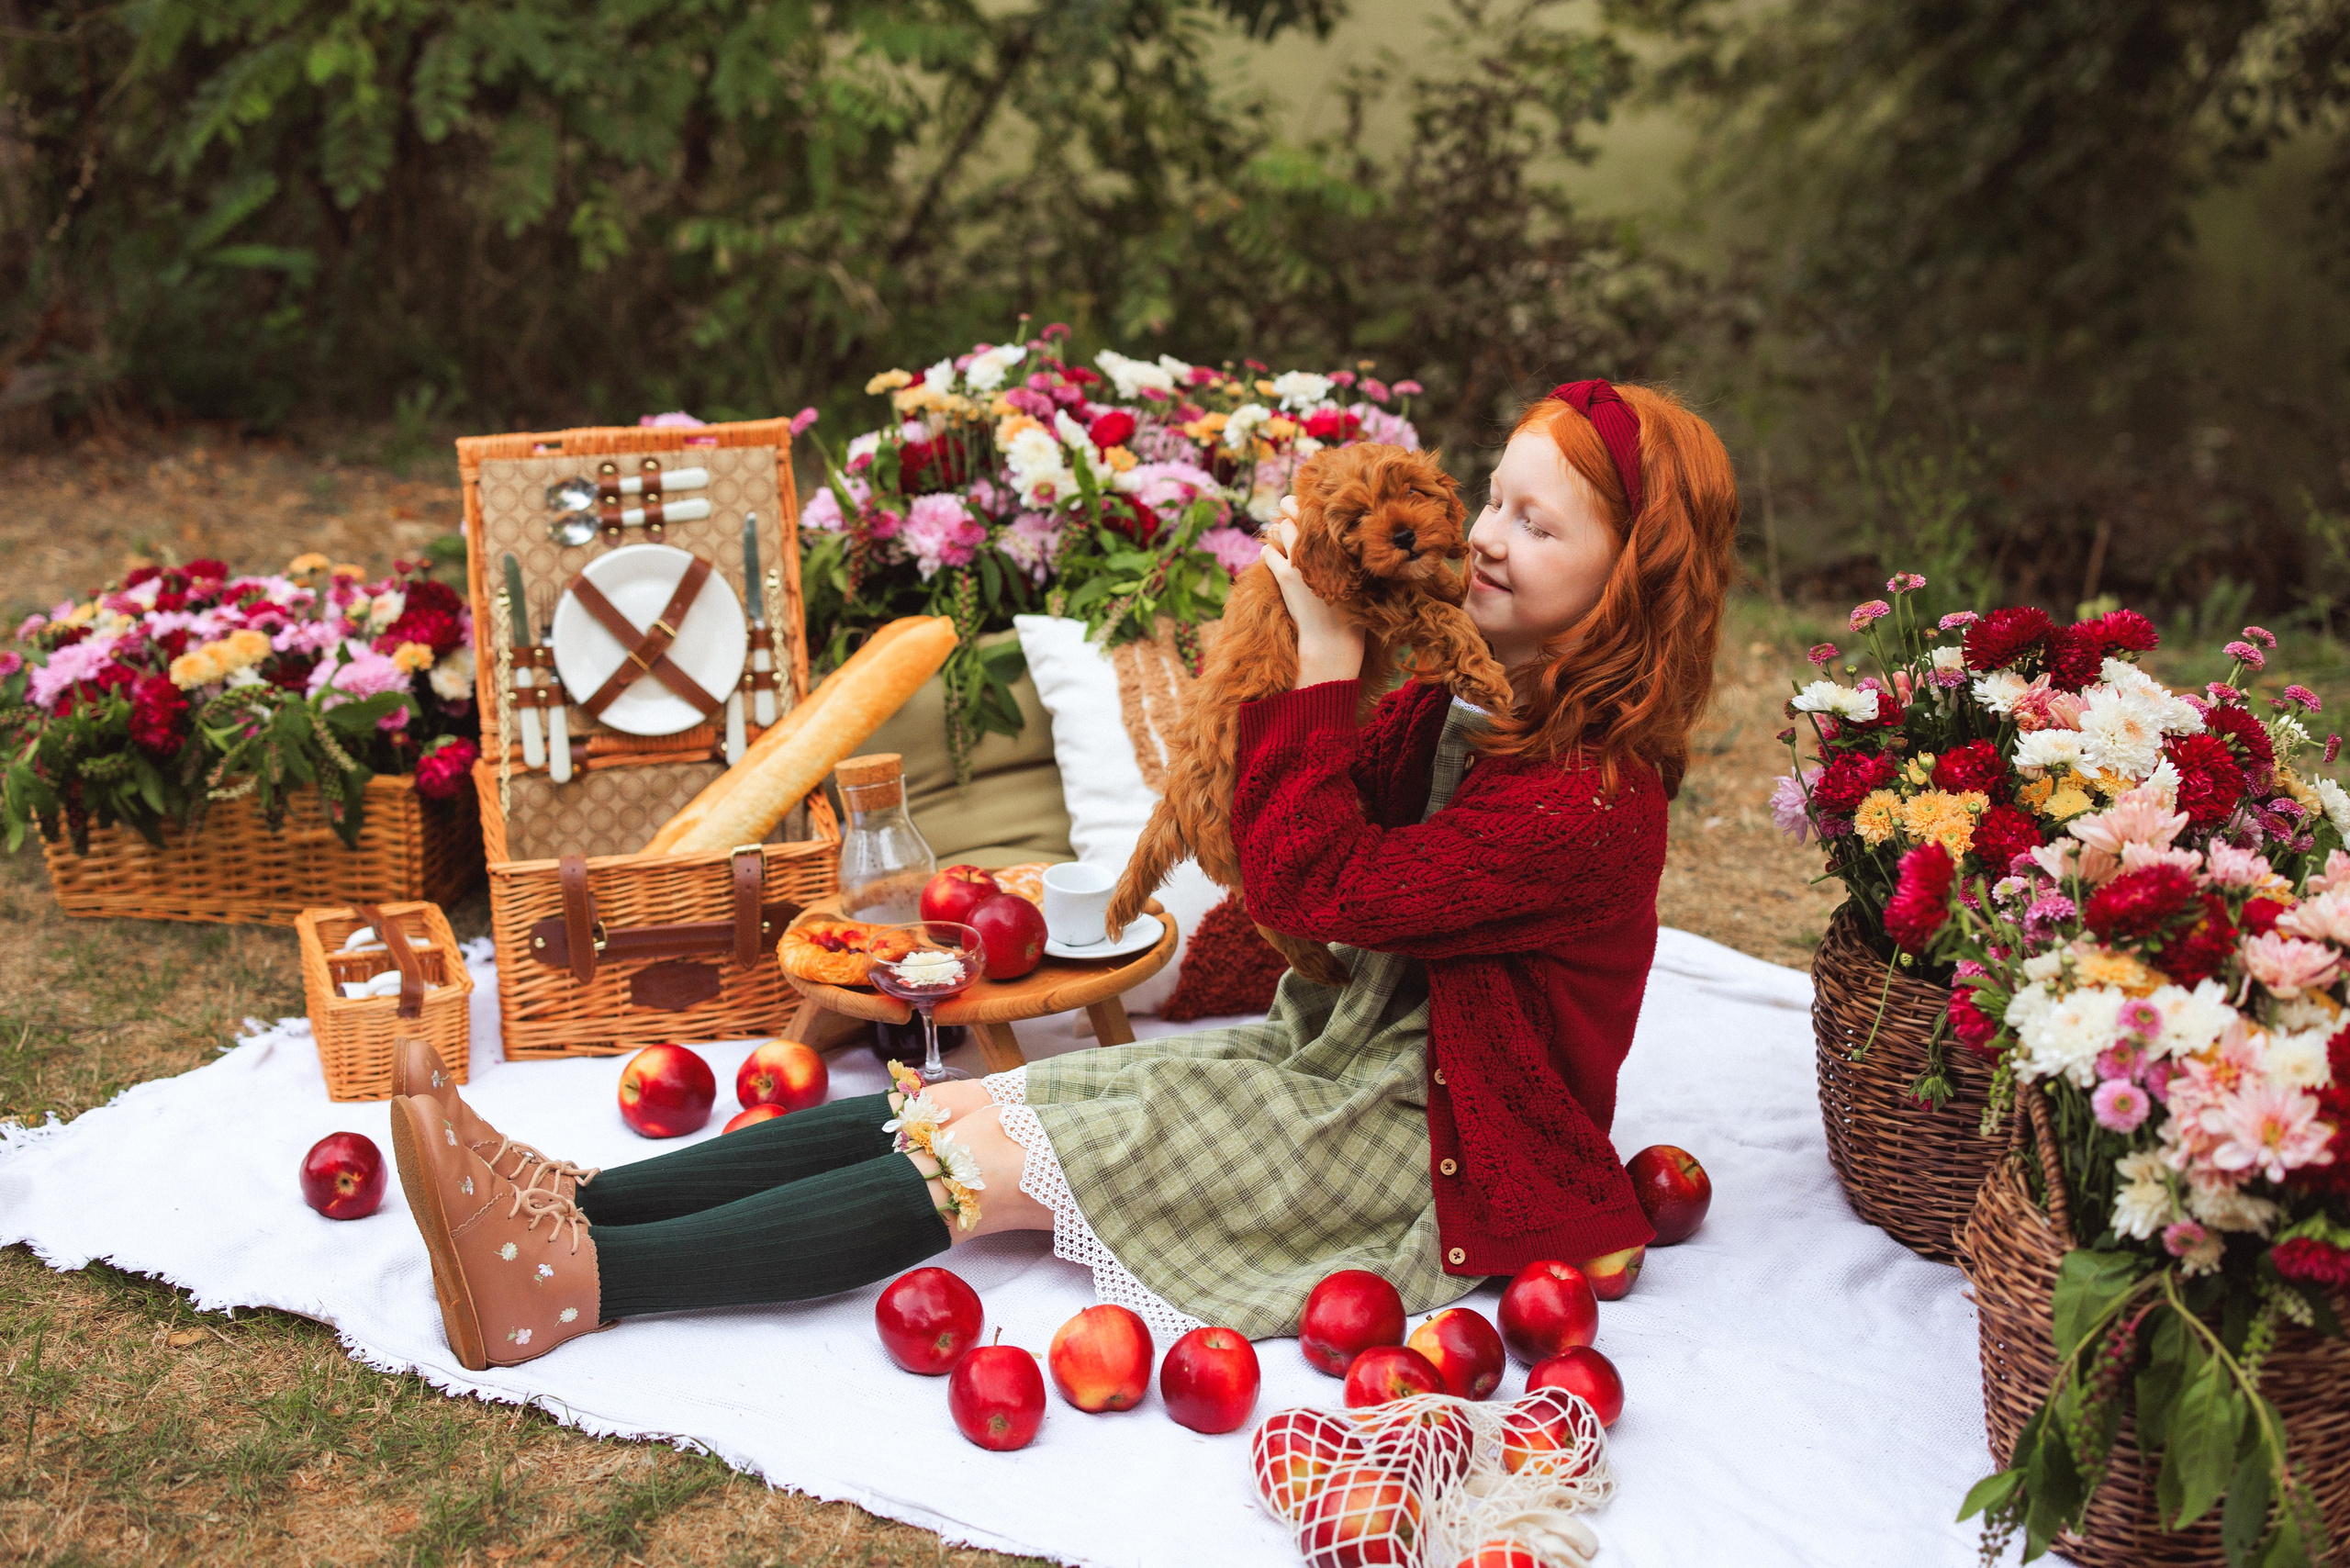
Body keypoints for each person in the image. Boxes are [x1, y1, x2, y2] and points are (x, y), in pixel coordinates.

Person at [386, 379, 1740, 1371]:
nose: (1491, 536)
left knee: (1006, 1159)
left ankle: (583, 1282)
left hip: (1434, 1162)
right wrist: (1320, 651)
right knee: (993, 1100)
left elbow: (1322, 892)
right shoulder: (1460, 713)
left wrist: (1328, 675)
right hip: (1330, 1073)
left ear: (1635, 582)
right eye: (1493, 498)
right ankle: (578, 1198)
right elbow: (1287, 854)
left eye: (1542, 526)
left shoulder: (1592, 802)